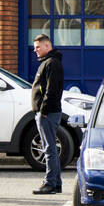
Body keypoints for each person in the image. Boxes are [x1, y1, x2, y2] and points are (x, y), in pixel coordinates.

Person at [30, 34, 64, 195]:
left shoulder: (51, 63)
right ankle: (56, 183)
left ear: (47, 46)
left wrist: (43, 110)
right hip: (47, 113)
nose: (35, 50)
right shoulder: (48, 62)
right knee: (49, 148)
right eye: (34, 47)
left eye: (38, 47)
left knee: (49, 149)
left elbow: (52, 90)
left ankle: (50, 182)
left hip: (47, 114)